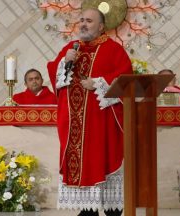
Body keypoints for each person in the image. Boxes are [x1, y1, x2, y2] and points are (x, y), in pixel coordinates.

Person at [47, 8, 132, 216]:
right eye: (81, 20)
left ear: (101, 26)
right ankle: (88, 210)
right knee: (83, 167)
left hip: (101, 124)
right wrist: (64, 62)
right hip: (75, 125)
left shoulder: (114, 49)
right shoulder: (70, 48)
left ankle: (113, 210)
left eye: (89, 21)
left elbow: (125, 77)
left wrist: (99, 83)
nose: (83, 24)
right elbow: (54, 73)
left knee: (105, 162)